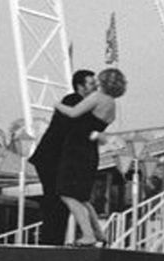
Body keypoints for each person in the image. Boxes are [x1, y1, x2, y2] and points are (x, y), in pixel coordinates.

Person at [54, 67, 128, 246]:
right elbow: (96, 130)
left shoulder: (96, 98)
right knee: (82, 197)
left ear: (102, 82)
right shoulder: (112, 106)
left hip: (76, 150)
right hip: (90, 152)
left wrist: (57, 105)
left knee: (67, 194)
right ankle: (99, 233)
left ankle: (88, 235)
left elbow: (73, 113)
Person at [30, 69, 96, 245]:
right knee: (56, 200)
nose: (95, 86)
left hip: (55, 158)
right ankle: (51, 242)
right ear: (80, 86)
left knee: (60, 200)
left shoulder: (79, 104)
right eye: (91, 83)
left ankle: (53, 241)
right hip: (52, 159)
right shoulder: (73, 101)